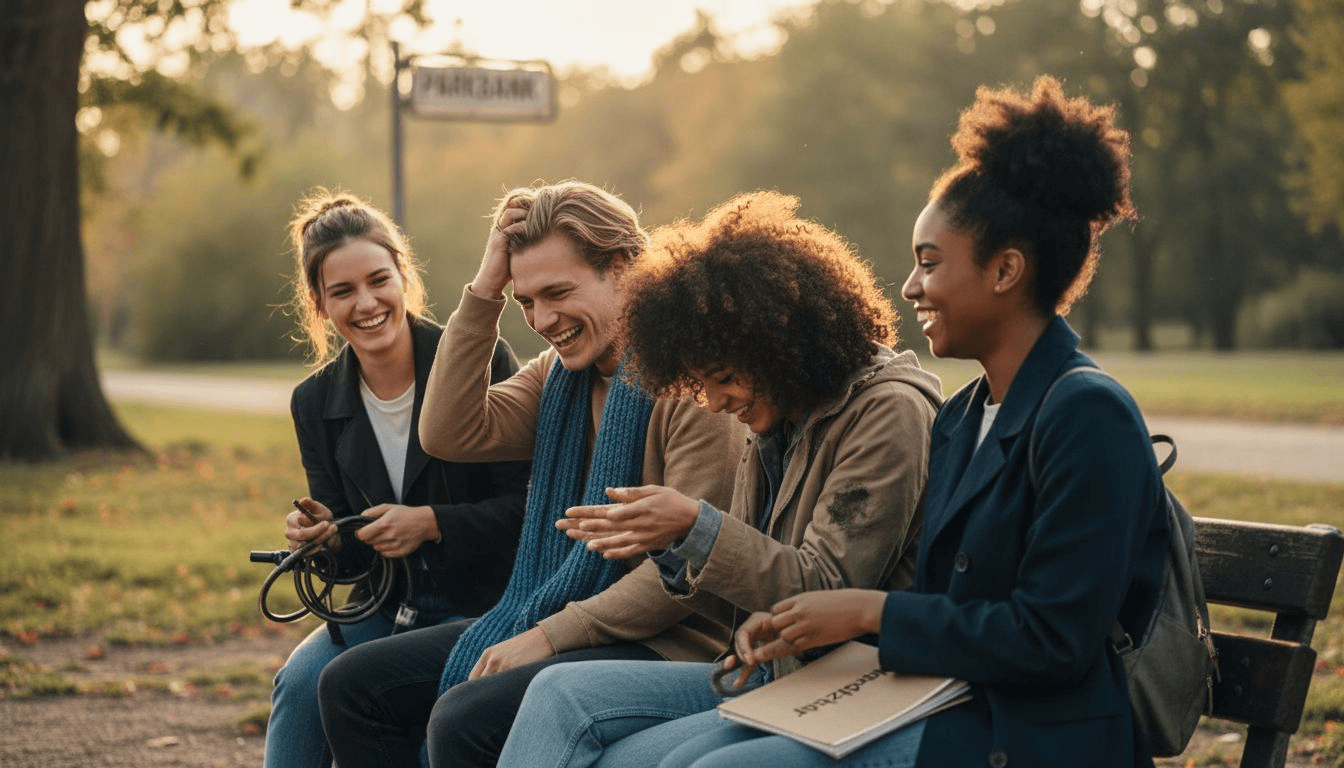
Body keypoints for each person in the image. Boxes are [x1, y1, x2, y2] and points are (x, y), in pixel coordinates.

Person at [648, 76, 1171, 768]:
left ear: (1006, 269)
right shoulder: (963, 414)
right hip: (938, 700)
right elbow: (946, 601)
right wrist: (806, 624)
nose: (909, 286)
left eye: (929, 262)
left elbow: (1053, 639)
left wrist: (870, 613)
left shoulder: (1087, 413)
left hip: (1032, 734)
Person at [494, 189, 944, 768]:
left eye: (725, 378)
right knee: (556, 694)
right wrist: (673, 546)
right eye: (701, 382)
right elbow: (742, 593)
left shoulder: (888, 414)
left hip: (858, 680)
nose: (712, 402)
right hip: (769, 671)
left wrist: (693, 525)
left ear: (783, 349)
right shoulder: (777, 416)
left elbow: (827, 588)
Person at [318, 181, 746, 768]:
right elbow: (446, 432)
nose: (543, 319)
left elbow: (687, 569)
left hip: (669, 642)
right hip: (565, 608)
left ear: (623, 269)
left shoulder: (689, 381)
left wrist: (550, 635)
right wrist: (487, 288)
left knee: (467, 718)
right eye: (526, 302)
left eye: (558, 293)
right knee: (352, 684)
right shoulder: (558, 377)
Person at [266, 190, 530, 768]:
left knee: (406, 719)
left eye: (377, 280)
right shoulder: (313, 402)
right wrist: (326, 539)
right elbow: (349, 561)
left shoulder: (480, 358)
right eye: (342, 291)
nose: (366, 303)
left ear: (403, 277)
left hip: (482, 603)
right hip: (383, 607)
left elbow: (526, 510)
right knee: (298, 683)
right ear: (320, 304)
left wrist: (433, 524)